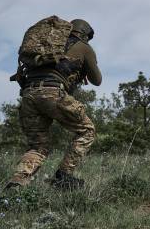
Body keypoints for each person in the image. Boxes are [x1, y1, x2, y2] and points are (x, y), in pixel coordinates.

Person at [6, 19, 102, 189]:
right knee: (87, 131)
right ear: (84, 34)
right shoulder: (83, 46)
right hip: (53, 93)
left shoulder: (47, 47)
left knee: (38, 146)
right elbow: (97, 80)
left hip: (29, 95)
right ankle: (63, 176)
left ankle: (18, 181)